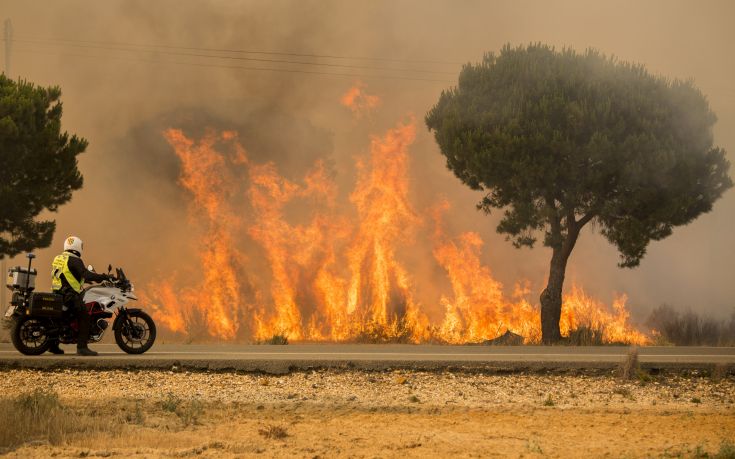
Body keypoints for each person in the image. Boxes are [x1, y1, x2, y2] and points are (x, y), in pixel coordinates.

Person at [50, 236, 110, 356]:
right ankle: (82, 347)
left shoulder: (59, 258)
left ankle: (53, 346)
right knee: (85, 316)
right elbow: (86, 274)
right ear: (78, 247)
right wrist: (104, 276)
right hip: (70, 296)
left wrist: (83, 280)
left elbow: (67, 274)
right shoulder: (75, 260)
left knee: (59, 320)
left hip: (58, 293)